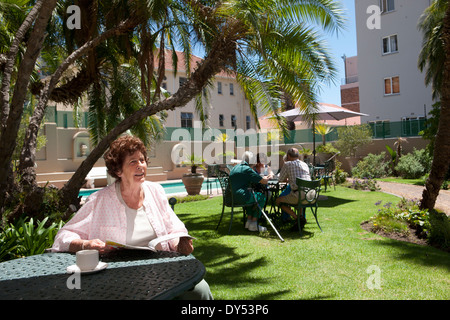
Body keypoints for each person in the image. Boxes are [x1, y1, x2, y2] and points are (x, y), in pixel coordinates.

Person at [51, 135, 213, 300]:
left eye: (142, 160)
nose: (140, 166)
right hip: (118, 277)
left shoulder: (156, 191)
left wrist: (180, 244)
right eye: (133, 162)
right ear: (118, 171)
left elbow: (174, 227)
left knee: (200, 290)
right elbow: (63, 236)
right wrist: (86, 244)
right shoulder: (99, 200)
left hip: (161, 269)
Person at [228, 151, 269, 232]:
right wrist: (267, 178)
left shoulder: (236, 167)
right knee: (262, 197)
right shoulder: (247, 169)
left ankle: (249, 221)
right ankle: (254, 223)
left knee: (252, 196)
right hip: (241, 197)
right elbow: (263, 181)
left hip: (231, 198)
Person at [275, 148, 311, 231]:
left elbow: (280, 179)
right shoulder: (304, 164)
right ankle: (300, 220)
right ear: (298, 155)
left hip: (300, 195)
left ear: (288, 156)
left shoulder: (288, 164)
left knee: (278, 200)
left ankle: (298, 218)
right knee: (299, 199)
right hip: (311, 195)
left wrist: (288, 179)